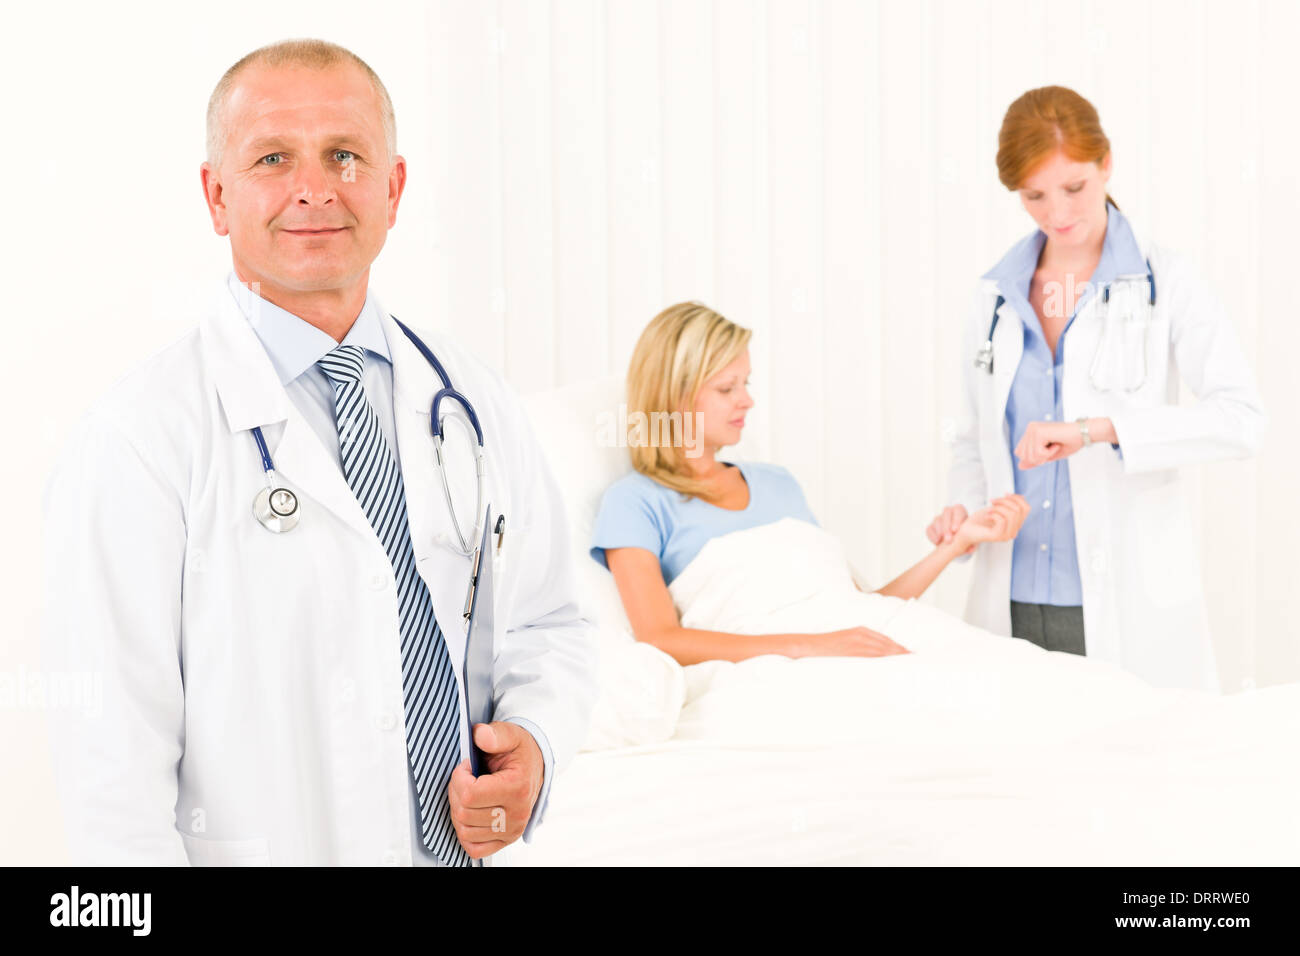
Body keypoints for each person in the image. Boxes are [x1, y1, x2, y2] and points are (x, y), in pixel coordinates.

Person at [40, 38, 597, 866]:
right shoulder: (141, 435)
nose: (315, 188)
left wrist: (538, 746)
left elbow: (551, 619)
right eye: (272, 157)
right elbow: (107, 769)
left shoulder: (471, 399)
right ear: (216, 196)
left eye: (345, 154)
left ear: (393, 188)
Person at [928, 85, 1265, 691]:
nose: (1057, 214)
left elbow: (1241, 419)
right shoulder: (995, 296)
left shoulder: (1169, 280)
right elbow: (971, 438)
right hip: (1013, 595)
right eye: (1034, 196)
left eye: (1075, 188)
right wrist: (964, 513)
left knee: (1129, 771)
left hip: (1123, 601)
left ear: (1105, 163)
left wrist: (1099, 431)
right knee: (1015, 772)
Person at [591, 302, 1030, 667]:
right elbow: (660, 638)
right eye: (727, 388)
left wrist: (954, 545)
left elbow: (861, 610)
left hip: (878, 645)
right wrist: (809, 647)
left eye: (745, 383)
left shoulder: (776, 483)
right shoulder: (636, 504)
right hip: (784, 672)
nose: (747, 399)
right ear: (674, 395)